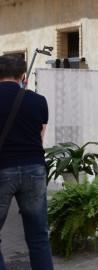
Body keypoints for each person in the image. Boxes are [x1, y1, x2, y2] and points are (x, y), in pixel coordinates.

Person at [0, 55, 54, 270]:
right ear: (23, 76)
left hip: (2, 169)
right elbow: (39, 139)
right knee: (38, 237)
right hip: (34, 169)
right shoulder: (38, 101)